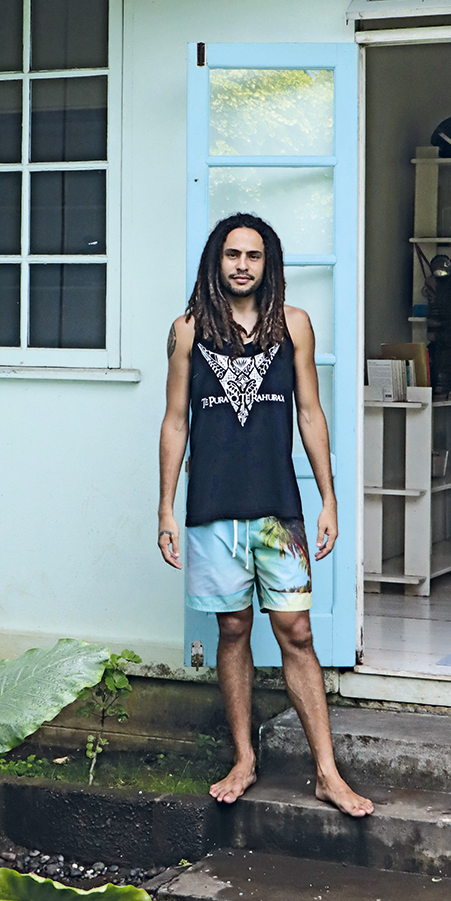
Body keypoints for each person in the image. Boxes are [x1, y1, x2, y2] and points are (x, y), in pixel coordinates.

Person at [158, 212, 374, 817]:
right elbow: (176, 423)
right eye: (232, 255)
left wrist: (329, 497)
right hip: (211, 512)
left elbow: (310, 413)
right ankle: (244, 757)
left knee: (297, 632)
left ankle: (327, 772)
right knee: (232, 629)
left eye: (253, 255)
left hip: (280, 512)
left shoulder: (293, 326)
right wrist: (165, 509)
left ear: (267, 262)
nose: (242, 265)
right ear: (216, 261)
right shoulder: (188, 330)